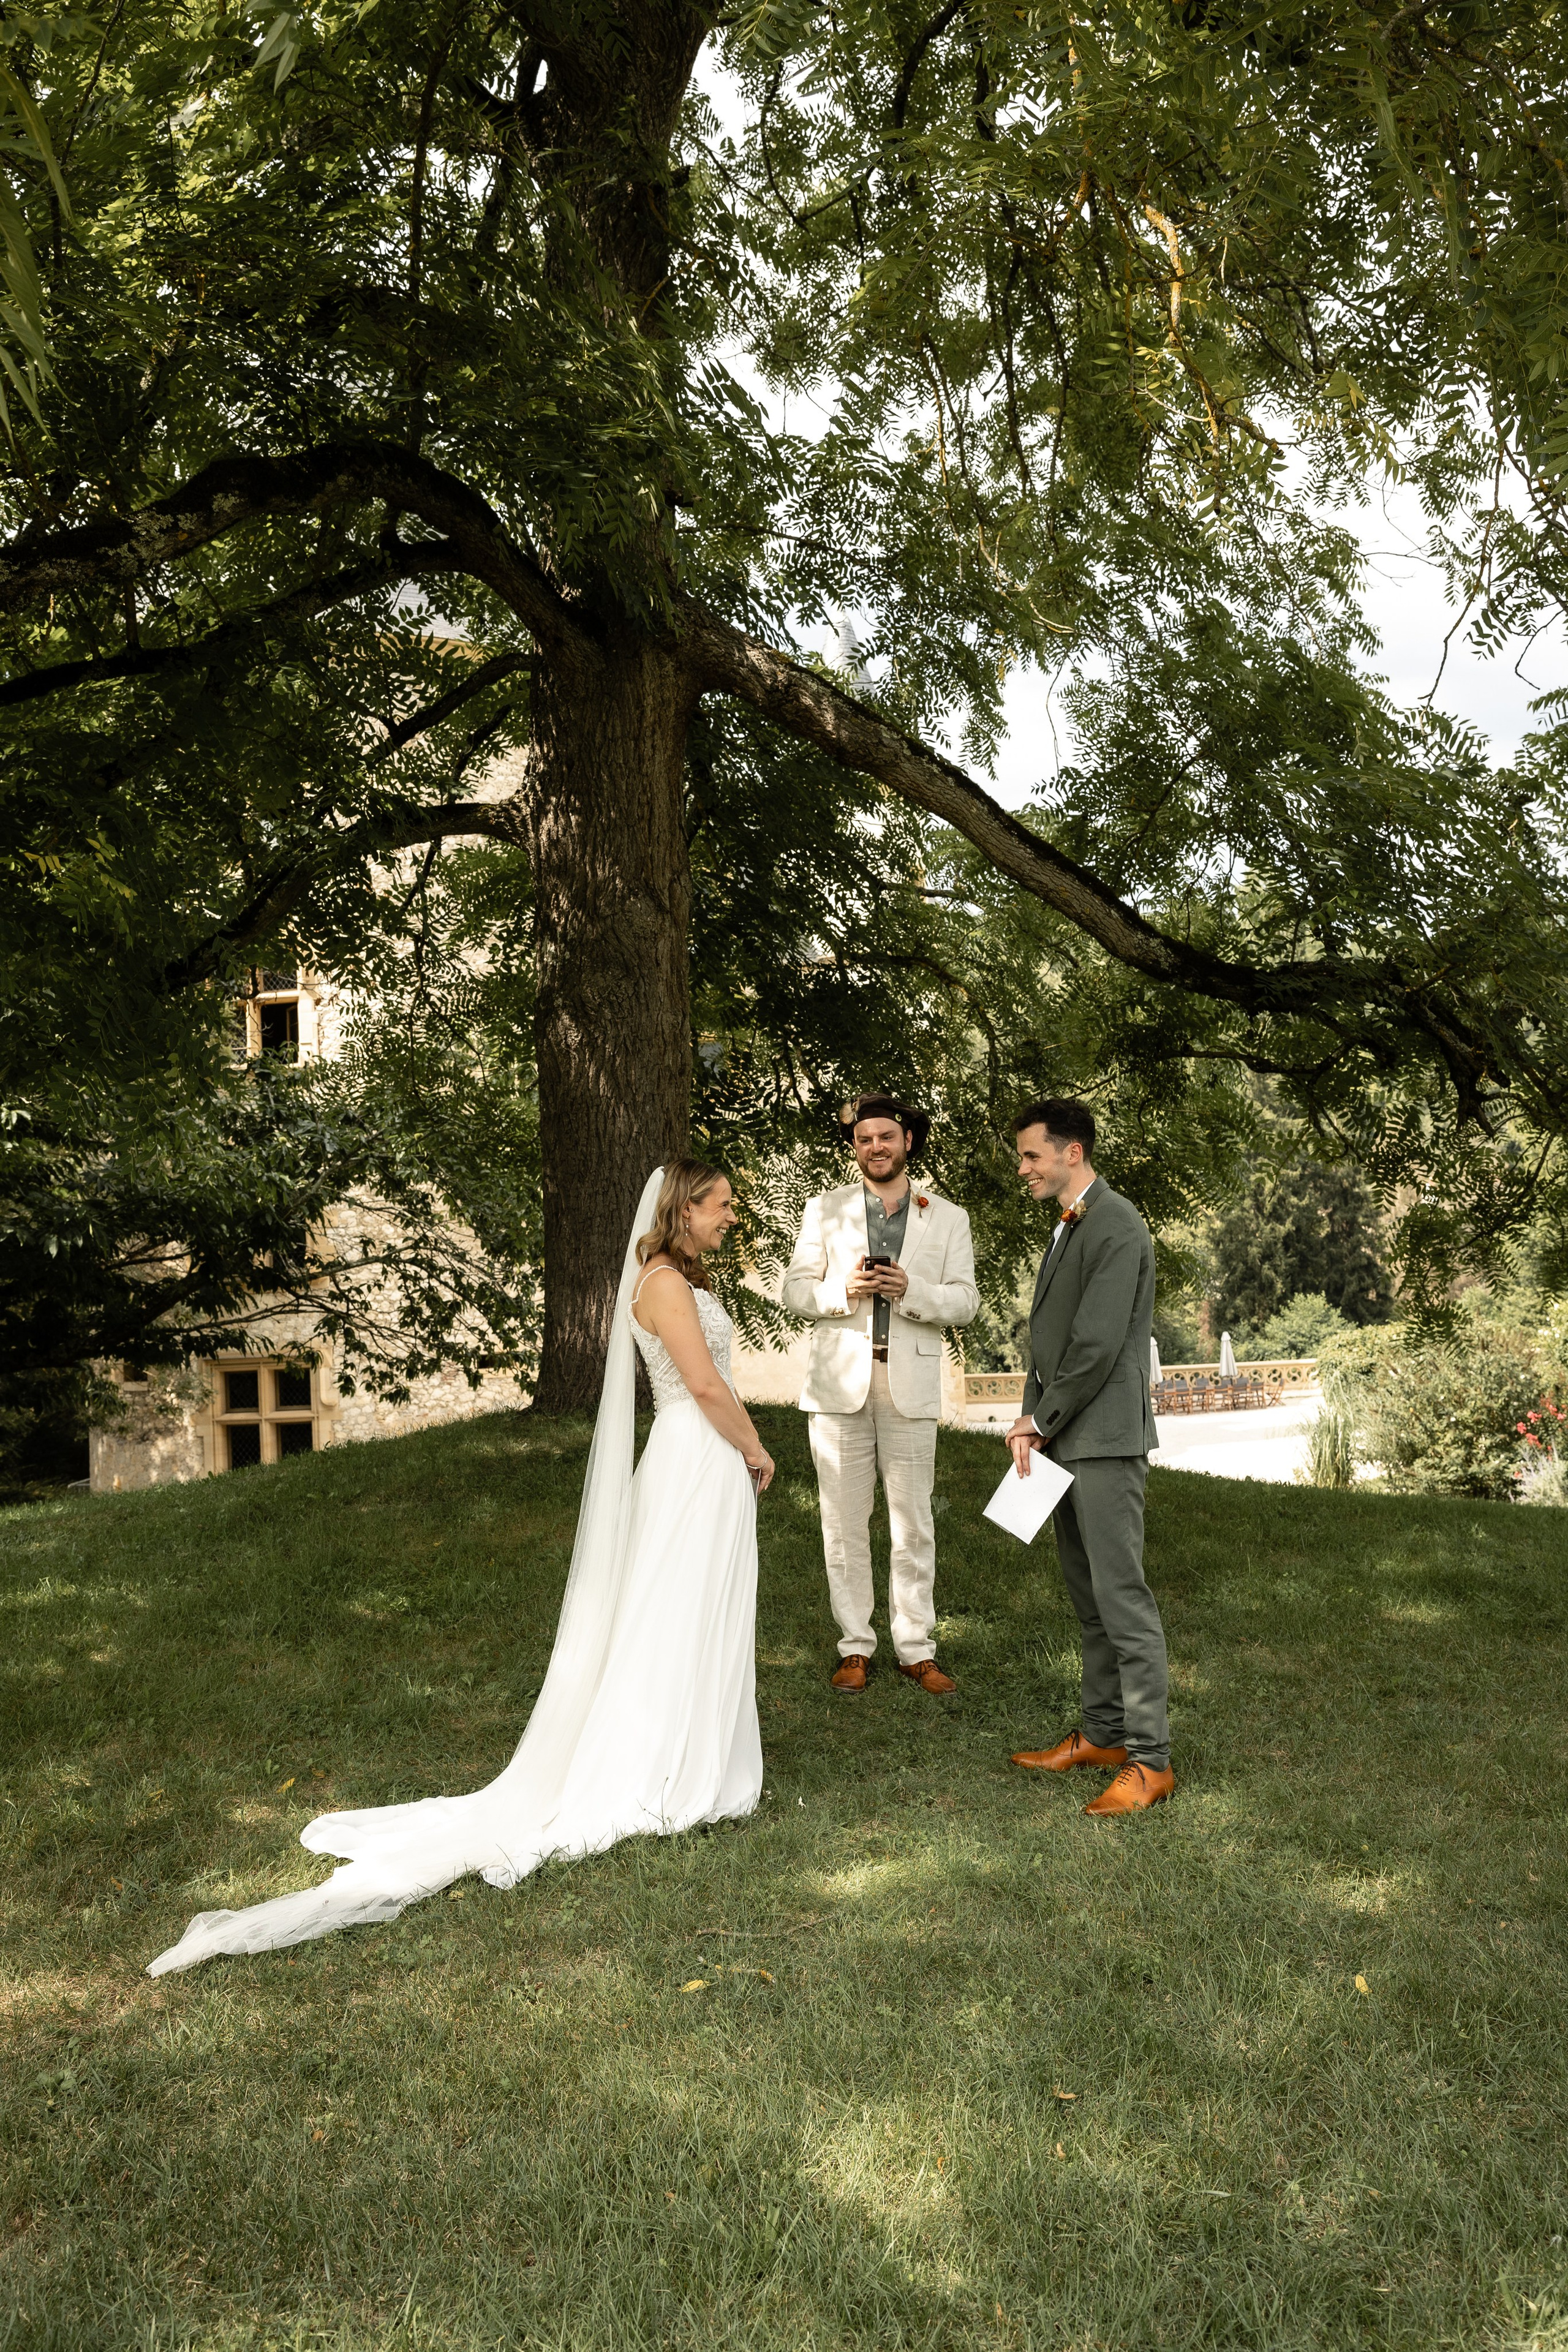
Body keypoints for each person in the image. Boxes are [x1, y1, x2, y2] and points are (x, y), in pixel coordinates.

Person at [146, 1162, 774, 1975]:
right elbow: (699, 1383)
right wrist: (755, 1448)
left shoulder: (677, 1279)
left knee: (694, 1608)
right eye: (722, 1204)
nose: (732, 1216)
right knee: (676, 1611)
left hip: (702, 1455)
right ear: (684, 1209)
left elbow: (713, 1380)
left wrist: (745, 1447)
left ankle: (697, 1751)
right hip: (697, 1453)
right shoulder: (661, 1283)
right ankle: (663, 1764)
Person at [1005, 1099, 1173, 1815]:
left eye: (1032, 1156)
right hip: (1063, 1436)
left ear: (1072, 1152)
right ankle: (1104, 1735)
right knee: (1088, 1596)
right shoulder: (1071, 1221)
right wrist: (1030, 1420)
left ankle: (1151, 1761)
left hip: (1102, 1439)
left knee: (1122, 1598)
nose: (1023, 1169)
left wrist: (1040, 1419)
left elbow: (1099, 1344)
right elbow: (1050, 1337)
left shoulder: (1116, 1222)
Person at [782, 1094, 978, 1695]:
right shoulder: (824, 1210)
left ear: (907, 1141)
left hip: (908, 1383)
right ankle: (855, 1646)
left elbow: (966, 1302)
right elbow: (794, 1291)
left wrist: (911, 1288)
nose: (876, 1147)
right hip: (838, 1386)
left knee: (912, 1524)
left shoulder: (947, 1217)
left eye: (886, 1137)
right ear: (855, 1148)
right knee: (842, 1524)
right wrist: (843, 1289)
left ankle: (916, 1649)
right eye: (865, 1139)